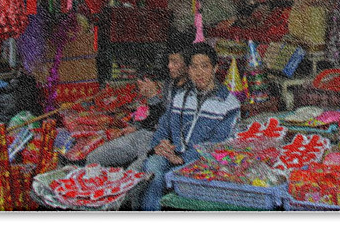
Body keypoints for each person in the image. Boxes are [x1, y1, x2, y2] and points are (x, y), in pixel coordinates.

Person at [139, 43, 241, 211]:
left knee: (175, 175)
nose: (199, 72)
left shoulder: (229, 104)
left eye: (205, 66)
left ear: (215, 68)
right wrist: (159, 146)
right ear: (188, 70)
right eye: (194, 67)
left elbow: (218, 144)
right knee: (152, 167)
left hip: (202, 163)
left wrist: (183, 159)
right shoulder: (180, 97)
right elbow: (164, 127)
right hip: (172, 155)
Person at [85, 47, 189, 171]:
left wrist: (154, 98)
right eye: (169, 61)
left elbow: (171, 123)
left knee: (133, 172)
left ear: (188, 65)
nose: (169, 66)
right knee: (93, 158)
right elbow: (158, 117)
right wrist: (138, 126)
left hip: (162, 141)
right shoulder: (169, 84)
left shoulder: (191, 91)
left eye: (175, 62)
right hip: (146, 134)